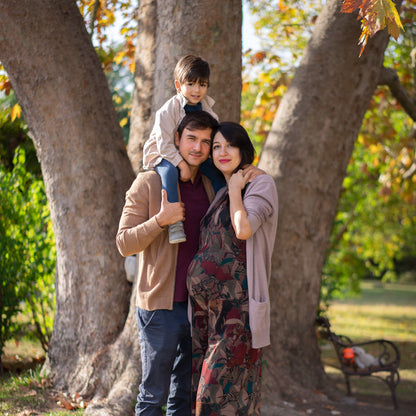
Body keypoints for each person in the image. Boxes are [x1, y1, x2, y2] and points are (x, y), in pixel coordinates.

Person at [116, 112, 261, 416]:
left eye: (206, 142)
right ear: (177, 140)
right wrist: (160, 220)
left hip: (201, 309)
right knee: (153, 395)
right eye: (191, 139)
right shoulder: (149, 183)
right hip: (161, 307)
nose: (198, 147)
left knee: (185, 395)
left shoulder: (210, 186)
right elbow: (124, 243)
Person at [187, 122, 278, 416]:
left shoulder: (259, 185)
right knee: (215, 392)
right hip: (209, 315)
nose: (222, 152)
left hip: (237, 314)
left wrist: (237, 189)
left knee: (217, 395)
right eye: (216, 147)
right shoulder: (222, 191)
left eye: (230, 145)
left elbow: (244, 229)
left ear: (244, 150)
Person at [142, 54, 225, 245]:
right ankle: (175, 224)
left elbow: (215, 135)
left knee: (217, 174)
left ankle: (221, 213)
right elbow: (164, 145)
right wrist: (181, 164)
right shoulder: (167, 110)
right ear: (179, 86)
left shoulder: (207, 110)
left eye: (202, 85)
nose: (197, 90)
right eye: (191, 84)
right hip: (164, 154)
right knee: (169, 173)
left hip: (192, 154)